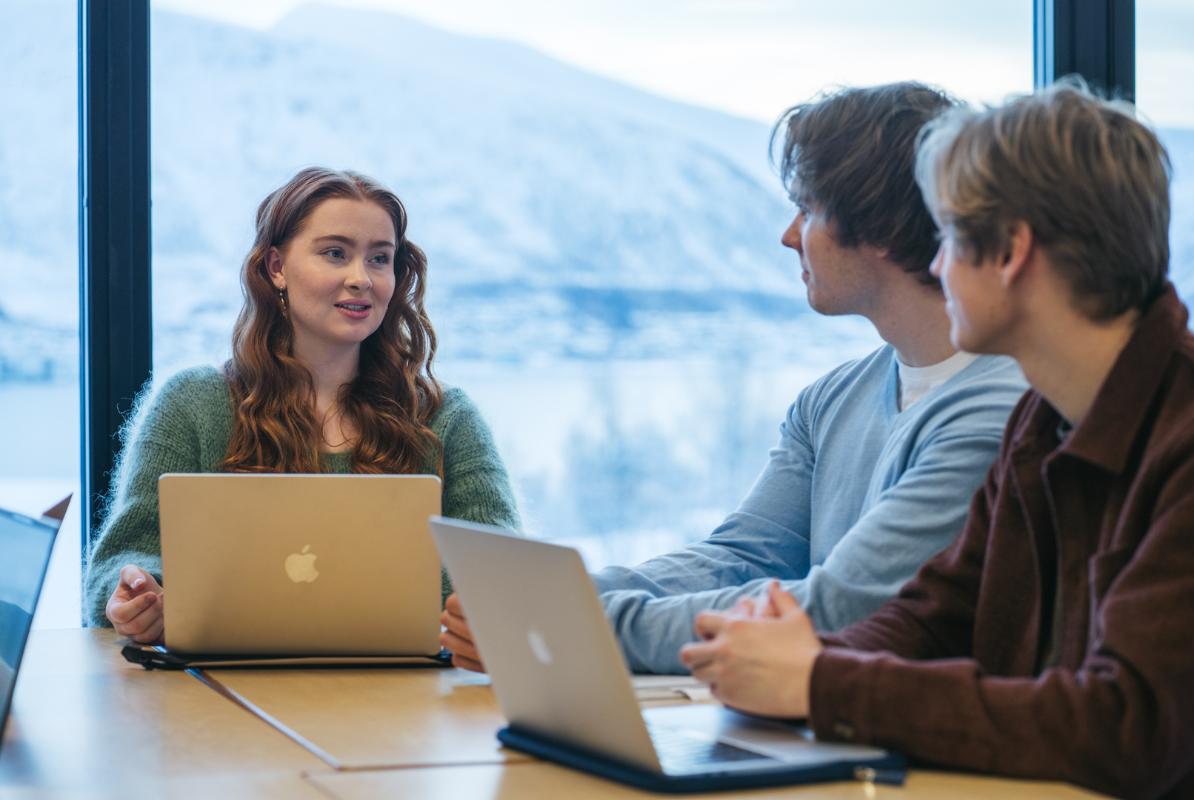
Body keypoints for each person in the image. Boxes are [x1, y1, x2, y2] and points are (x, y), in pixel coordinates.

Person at [680, 81, 1194, 798]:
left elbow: (1124, 726)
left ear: (1011, 252)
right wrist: (784, 666)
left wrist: (821, 682)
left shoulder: (1190, 441)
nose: (935, 263)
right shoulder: (1042, 421)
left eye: (949, 235)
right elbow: (936, 615)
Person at [441, 83, 1028, 674]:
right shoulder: (829, 400)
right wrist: (551, 600)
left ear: (874, 227)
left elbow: (842, 610)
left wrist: (568, 624)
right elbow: (744, 557)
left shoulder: (1000, 409)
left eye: (808, 209)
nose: (789, 235)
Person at [85, 167, 520, 643]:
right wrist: (139, 597)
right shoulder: (192, 404)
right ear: (276, 267)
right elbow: (119, 566)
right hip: (220, 699)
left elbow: (504, 578)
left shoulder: (446, 418)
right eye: (335, 254)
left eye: (380, 259)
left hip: (412, 702)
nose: (361, 279)